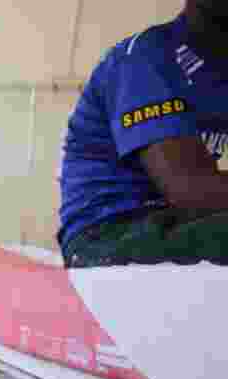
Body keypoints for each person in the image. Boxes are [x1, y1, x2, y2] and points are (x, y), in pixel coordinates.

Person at [58, 0, 228, 268]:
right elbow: (193, 190)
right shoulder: (145, 58)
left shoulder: (218, 73)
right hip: (105, 235)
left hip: (172, 223)